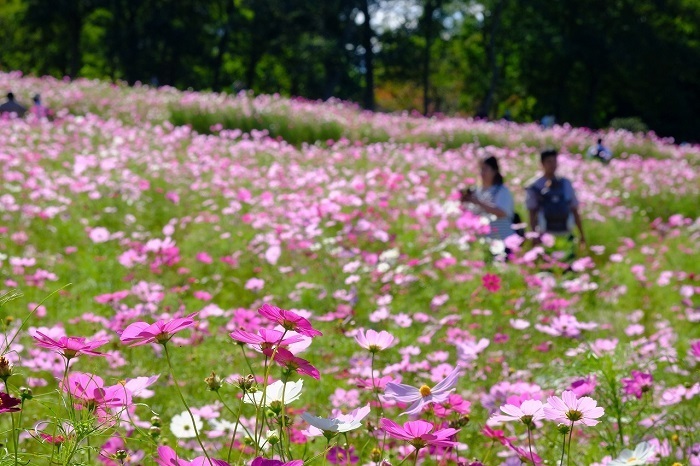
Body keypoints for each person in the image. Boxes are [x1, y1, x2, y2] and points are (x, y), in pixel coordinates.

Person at [526, 149, 586, 254]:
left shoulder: (566, 183)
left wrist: (581, 234)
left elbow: (574, 209)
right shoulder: (534, 185)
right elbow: (532, 213)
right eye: (549, 161)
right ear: (542, 163)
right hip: (544, 235)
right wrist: (534, 235)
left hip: (566, 232)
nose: (552, 165)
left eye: (554, 161)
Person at [460, 155, 515, 241]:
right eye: (481, 169)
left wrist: (478, 203)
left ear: (494, 171)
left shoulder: (502, 191)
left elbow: (502, 212)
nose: (482, 173)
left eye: (485, 169)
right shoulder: (476, 190)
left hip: (502, 238)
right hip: (484, 239)